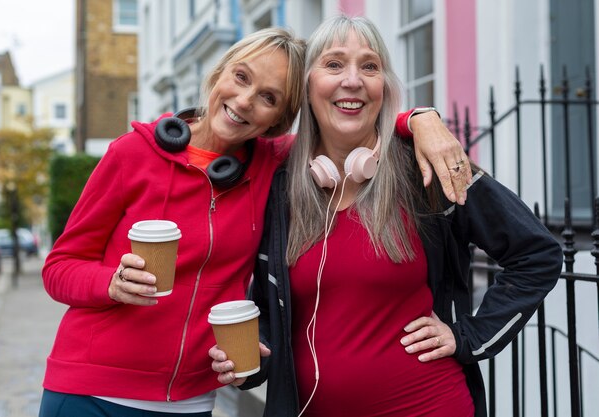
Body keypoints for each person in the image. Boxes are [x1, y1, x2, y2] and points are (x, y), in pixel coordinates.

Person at [38, 24, 469, 417]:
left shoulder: (274, 166)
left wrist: (418, 119)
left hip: (190, 400)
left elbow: (347, 121)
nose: (244, 101)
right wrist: (109, 283)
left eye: (268, 98)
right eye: (241, 77)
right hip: (91, 392)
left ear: (277, 121)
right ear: (218, 74)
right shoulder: (131, 155)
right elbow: (59, 268)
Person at [209, 16, 563, 417]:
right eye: (334, 64)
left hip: (429, 405)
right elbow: (271, 319)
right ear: (307, 87)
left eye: (370, 66)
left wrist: (471, 337)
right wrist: (251, 363)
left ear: (384, 87)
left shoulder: (427, 167)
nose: (354, 80)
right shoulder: (279, 184)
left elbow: (537, 254)